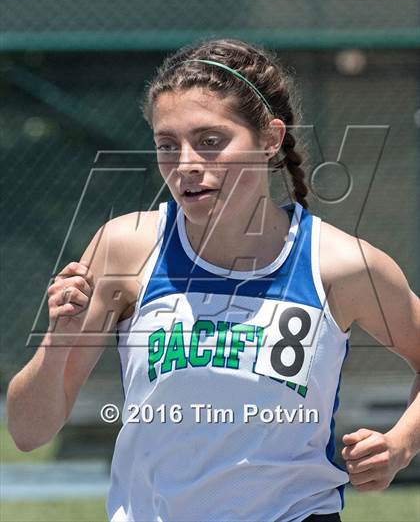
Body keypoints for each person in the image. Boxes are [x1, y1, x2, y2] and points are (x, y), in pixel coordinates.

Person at [7, 38, 420, 522]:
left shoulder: (342, 265)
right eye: (167, 144)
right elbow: (28, 432)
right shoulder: (127, 247)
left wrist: (400, 444)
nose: (185, 164)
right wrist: (60, 337)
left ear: (269, 138)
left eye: (210, 141)